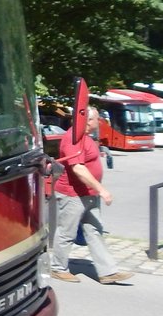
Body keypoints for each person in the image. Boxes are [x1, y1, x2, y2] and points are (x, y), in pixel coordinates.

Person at [50, 105, 133, 284]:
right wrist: (102, 190)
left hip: (89, 194)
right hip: (73, 195)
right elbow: (78, 168)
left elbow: (87, 161)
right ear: (87, 121)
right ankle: (58, 268)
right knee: (66, 233)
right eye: (97, 118)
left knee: (94, 231)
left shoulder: (85, 137)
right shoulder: (72, 139)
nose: (100, 121)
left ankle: (108, 272)